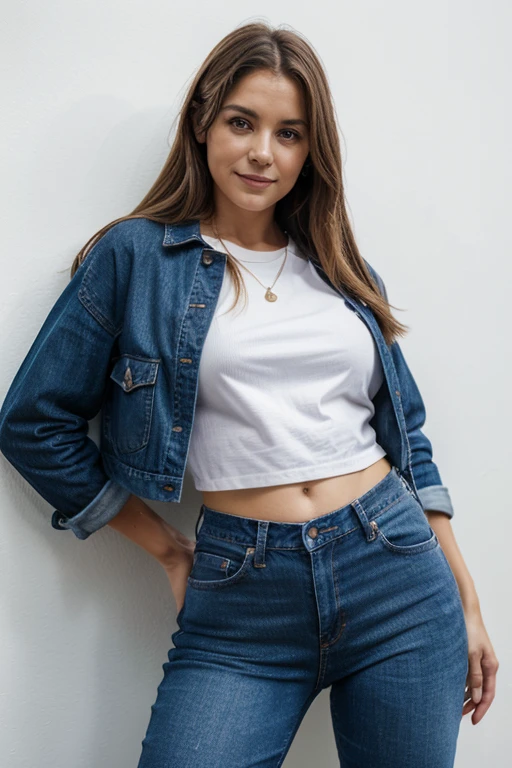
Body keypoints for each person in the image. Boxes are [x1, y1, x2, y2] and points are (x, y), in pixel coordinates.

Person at [0, 21, 498, 768]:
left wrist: (467, 601)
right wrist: (167, 549)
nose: (264, 152)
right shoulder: (136, 256)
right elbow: (33, 422)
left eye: (289, 133)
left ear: (310, 150)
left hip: (395, 570)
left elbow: (409, 441)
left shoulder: (340, 267)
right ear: (203, 122)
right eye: (243, 122)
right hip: (240, 595)